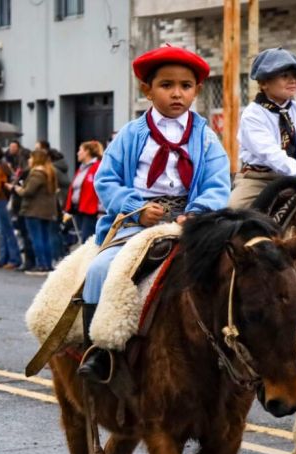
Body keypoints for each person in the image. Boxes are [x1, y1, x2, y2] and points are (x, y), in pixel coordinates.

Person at [79, 45, 231, 382]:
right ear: (147, 89)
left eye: (185, 86)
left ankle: (235, 343)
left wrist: (198, 212)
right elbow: (106, 179)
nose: (177, 93)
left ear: (197, 90)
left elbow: (218, 183)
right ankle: (100, 350)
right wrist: (136, 209)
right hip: (138, 222)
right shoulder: (131, 134)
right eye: (166, 85)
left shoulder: (206, 138)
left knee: (238, 267)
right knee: (101, 268)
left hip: (191, 222)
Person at [229, 47, 296, 207]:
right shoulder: (253, 114)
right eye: (284, 75)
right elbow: (271, 154)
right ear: (264, 83)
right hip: (259, 180)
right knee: (234, 210)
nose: (293, 80)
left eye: (295, 76)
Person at [5, 149, 58, 273]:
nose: (29, 160)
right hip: (47, 211)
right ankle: (48, 264)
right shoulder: (50, 172)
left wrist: (16, 188)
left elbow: (28, 191)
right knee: (45, 238)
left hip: (34, 210)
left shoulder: (36, 173)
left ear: (36, 159)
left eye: (31, 157)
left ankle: (42, 264)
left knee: (36, 238)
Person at [65, 140, 103, 244]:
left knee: (87, 241)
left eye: (80, 150)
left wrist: (100, 209)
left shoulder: (98, 166)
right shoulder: (83, 168)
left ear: (87, 152)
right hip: (80, 210)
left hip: (92, 211)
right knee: (82, 240)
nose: (77, 153)